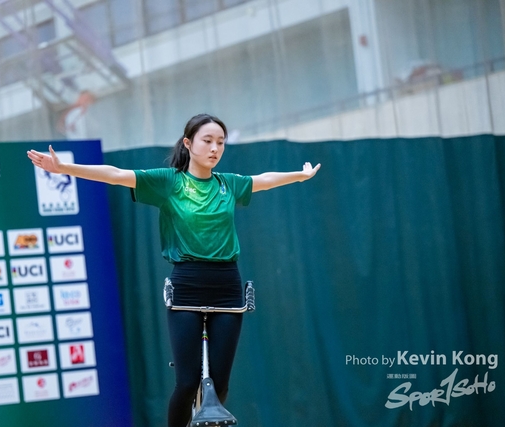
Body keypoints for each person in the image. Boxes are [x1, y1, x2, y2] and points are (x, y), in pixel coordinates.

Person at [27, 113, 321, 427]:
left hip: (226, 285)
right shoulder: (169, 182)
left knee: (220, 384)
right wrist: (64, 168)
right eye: (207, 140)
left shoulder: (229, 184)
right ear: (188, 143)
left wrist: (300, 176)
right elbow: (115, 174)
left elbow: (265, 179)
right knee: (187, 382)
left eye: (220, 142)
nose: (215, 148)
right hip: (187, 285)